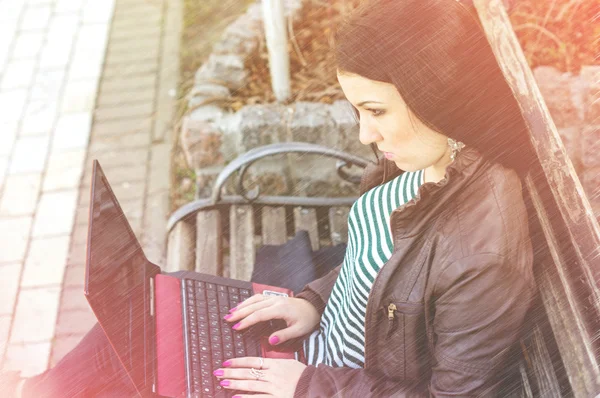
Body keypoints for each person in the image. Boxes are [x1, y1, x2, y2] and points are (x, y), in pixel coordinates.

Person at [1, 0, 539, 396]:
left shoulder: (484, 255)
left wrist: (309, 386)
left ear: (437, 94)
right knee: (155, 310)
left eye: (375, 111)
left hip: (322, 382)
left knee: (156, 355)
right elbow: (375, 269)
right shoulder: (430, 156)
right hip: (307, 350)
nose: (363, 136)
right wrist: (311, 301)